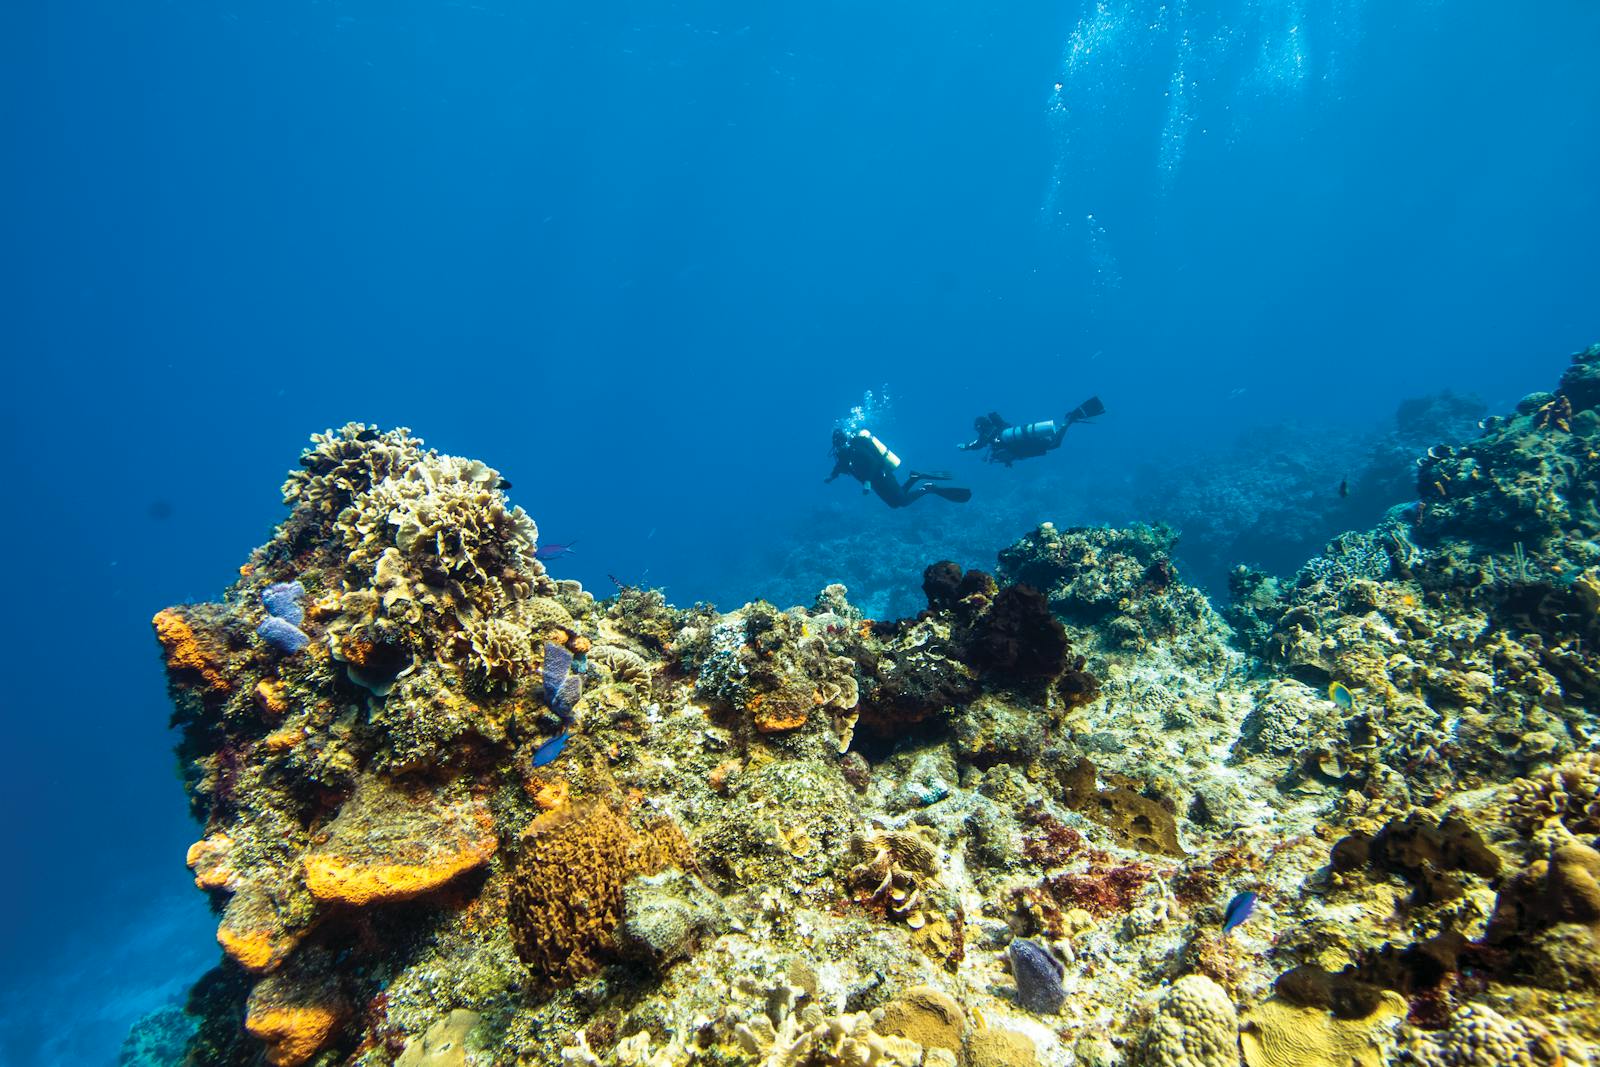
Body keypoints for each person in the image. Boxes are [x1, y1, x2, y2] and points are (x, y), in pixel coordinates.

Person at [827, 429, 972, 508]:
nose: (840, 446)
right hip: (874, 483)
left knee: (901, 501)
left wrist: (868, 481)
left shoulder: (856, 448)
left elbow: (874, 463)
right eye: (837, 444)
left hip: (882, 475)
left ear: (845, 440)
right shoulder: (843, 455)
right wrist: (832, 476)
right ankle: (914, 478)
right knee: (894, 503)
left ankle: (928, 488)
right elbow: (840, 466)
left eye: (841, 443)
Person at [959, 395, 1105, 467]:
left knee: (1053, 444)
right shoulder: (998, 427)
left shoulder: (987, 434)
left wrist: (965, 447)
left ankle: (1070, 419)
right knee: (1053, 443)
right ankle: (1069, 420)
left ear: (980, 427)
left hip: (1024, 446)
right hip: (1025, 442)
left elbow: (977, 444)